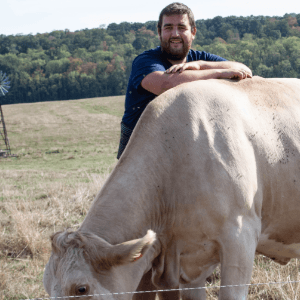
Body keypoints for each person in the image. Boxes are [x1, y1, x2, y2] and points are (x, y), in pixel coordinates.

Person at [117, 2, 252, 159]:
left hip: (182, 151)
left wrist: (201, 65)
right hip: (139, 156)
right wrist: (218, 73)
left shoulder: (199, 59)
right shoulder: (145, 61)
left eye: (181, 28)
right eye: (168, 28)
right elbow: (165, 84)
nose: (175, 34)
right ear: (159, 32)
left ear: (193, 32)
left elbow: (244, 70)